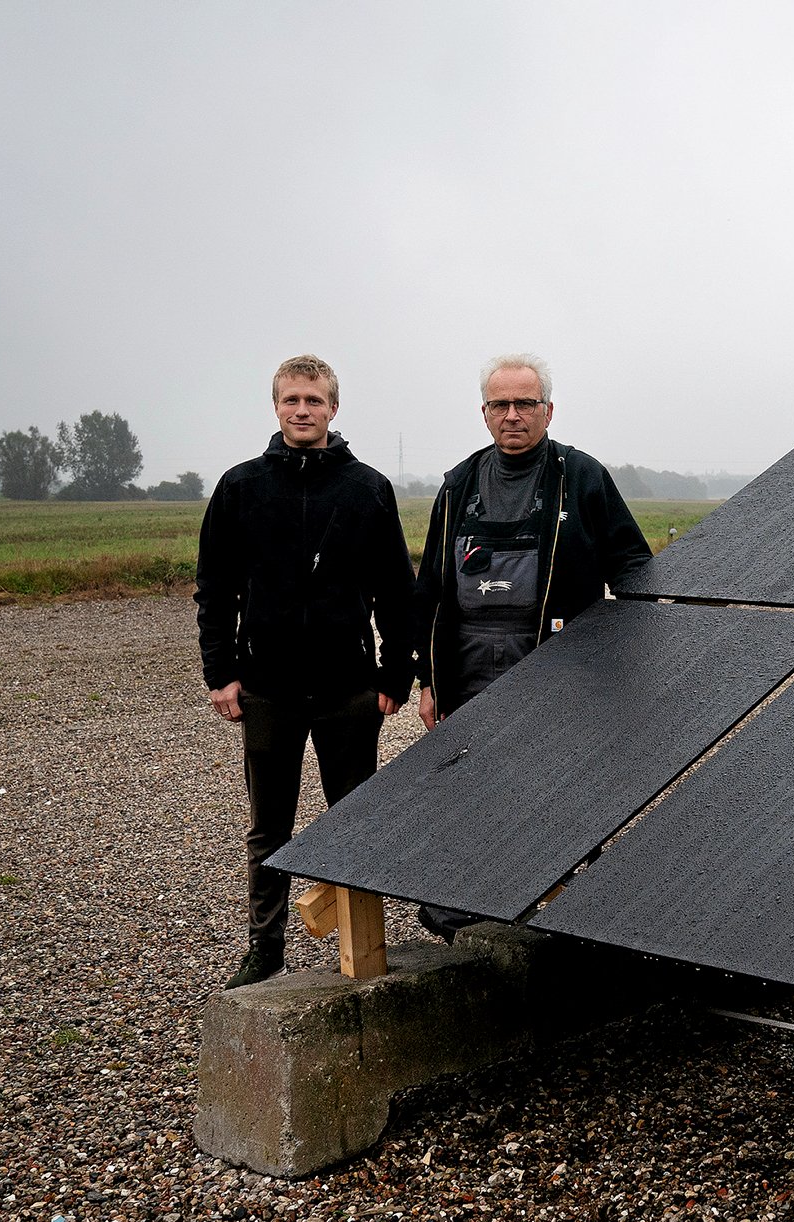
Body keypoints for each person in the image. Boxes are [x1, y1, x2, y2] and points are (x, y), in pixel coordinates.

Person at [410, 352, 652, 939]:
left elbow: (633, 567)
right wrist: (429, 681)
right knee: (472, 787)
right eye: (501, 404)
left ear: (549, 410)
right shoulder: (458, 484)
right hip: (469, 662)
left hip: (557, 661)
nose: (512, 415)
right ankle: (468, 901)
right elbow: (431, 590)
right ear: (484, 412)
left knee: (561, 787)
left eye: (525, 403)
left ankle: (573, 909)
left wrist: (635, 657)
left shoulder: (582, 477)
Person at [196, 355, 415, 988]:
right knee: (270, 829)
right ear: (275, 407)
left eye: (313, 400)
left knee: (354, 823)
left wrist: (394, 677)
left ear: (333, 408)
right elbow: (216, 589)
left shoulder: (367, 488)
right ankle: (265, 948)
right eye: (291, 399)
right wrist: (220, 673)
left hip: (349, 690)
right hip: (268, 689)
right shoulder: (241, 487)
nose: (302, 410)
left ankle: (362, 948)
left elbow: (395, 592)